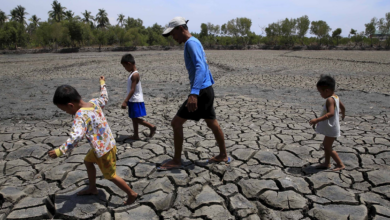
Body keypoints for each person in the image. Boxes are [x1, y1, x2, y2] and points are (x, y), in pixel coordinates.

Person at [48, 76, 138, 205]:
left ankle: (131, 194)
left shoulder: (80, 115)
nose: (66, 112)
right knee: (88, 161)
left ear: (70, 105)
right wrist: (103, 84)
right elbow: (104, 97)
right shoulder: (94, 102)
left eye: (65, 110)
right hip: (106, 145)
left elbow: (76, 136)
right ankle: (92, 188)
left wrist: (59, 151)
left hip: (103, 151)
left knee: (110, 175)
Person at [158, 16, 230, 170]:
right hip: (207, 89)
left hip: (202, 91)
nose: (173, 37)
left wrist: (194, 93)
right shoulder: (195, 42)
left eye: (173, 34)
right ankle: (223, 155)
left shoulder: (190, 43)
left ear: (180, 28)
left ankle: (177, 160)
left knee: (176, 123)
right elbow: (204, 65)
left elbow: (200, 67)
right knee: (212, 123)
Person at [309, 75, 346, 171]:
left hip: (332, 128)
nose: (320, 95)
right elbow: (343, 107)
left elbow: (331, 113)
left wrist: (317, 120)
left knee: (328, 147)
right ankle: (327, 163)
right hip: (332, 127)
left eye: (320, 92)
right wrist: (343, 113)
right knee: (326, 145)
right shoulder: (336, 97)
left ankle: (340, 164)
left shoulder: (330, 99)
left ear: (327, 91)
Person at [120, 54, 156, 140]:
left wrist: (125, 101)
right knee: (134, 118)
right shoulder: (132, 73)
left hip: (135, 99)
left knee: (134, 118)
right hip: (133, 100)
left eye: (125, 66)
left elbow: (132, 89)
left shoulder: (135, 75)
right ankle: (136, 135)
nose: (125, 69)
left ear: (129, 63)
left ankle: (151, 126)